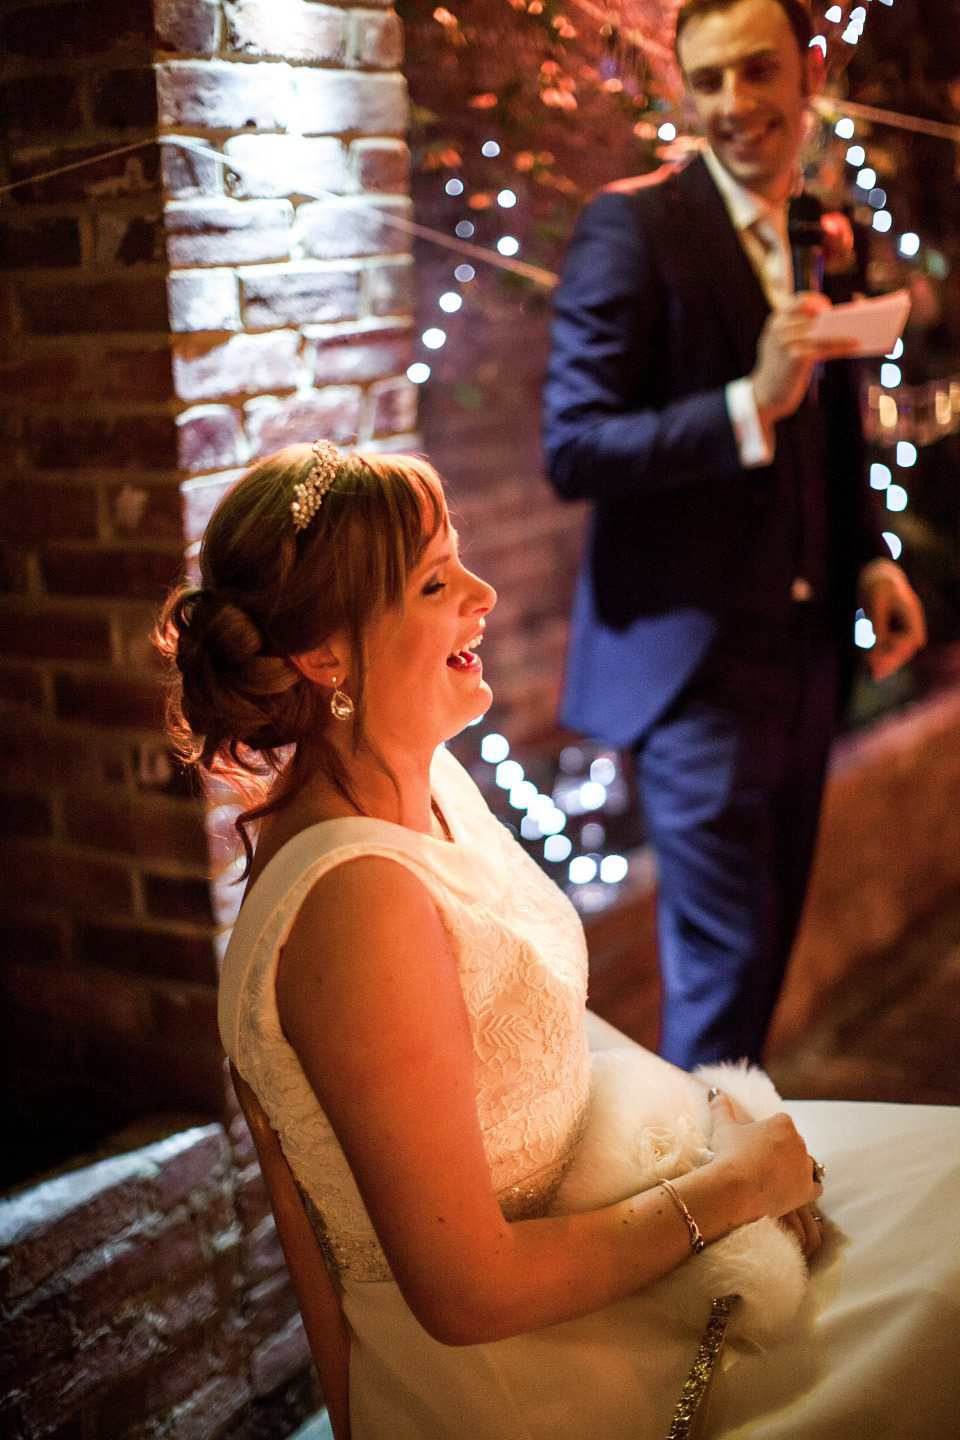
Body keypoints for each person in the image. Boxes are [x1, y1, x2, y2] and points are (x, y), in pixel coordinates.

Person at [158, 440, 959, 1440]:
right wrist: (734, 1189)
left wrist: (714, 1117)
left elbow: (534, 1013)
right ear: (326, 655)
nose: (483, 595)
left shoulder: (430, 787)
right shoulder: (356, 904)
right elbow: (466, 1295)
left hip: (621, 1189)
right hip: (532, 1374)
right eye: (438, 580)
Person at [542, 0, 927, 1070]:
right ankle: (702, 1223)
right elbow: (573, 447)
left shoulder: (821, 235)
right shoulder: (632, 226)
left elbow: (838, 422)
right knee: (721, 974)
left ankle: (733, 1188)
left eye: (756, 72)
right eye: (706, 80)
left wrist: (867, 556)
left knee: (762, 963)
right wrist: (744, 401)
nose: (733, 105)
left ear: (807, 73)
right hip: (693, 673)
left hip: (807, 663)